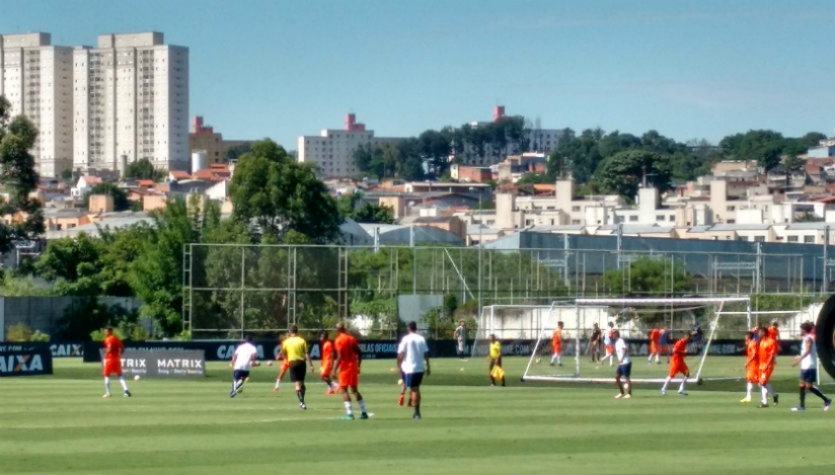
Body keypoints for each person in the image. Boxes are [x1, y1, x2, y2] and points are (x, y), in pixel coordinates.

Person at [791, 322, 831, 412]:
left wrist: (799, 359)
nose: (799, 331)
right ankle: (826, 400)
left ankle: (802, 406)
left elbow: (808, 351)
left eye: (800, 329)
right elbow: (807, 351)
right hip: (807, 365)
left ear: (804, 330)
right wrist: (799, 357)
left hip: (809, 366)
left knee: (805, 385)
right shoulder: (807, 338)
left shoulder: (808, 339)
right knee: (806, 386)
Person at [332, 323, 369, 420]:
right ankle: (364, 412)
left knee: (344, 389)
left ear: (337, 330)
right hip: (353, 365)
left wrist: (334, 369)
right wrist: (358, 366)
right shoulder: (351, 338)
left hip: (345, 367)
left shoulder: (338, 340)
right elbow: (359, 353)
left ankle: (350, 414)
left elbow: (340, 356)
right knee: (354, 389)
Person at [397, 321, 431, 420]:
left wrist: (399, 366)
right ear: (415, 329)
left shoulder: (406, 339)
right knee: (416, 388)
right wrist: (428, 367)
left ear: (408, 328)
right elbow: (426, 354)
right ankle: (415, 409)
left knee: (414, 389)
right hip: (420, 368)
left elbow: (401, 354)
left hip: (409, 368)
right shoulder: (421, 339)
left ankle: (417, 413)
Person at [279, 325, 314, 410]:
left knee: (297, 385)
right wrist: (311, 365)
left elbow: (283, 354)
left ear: (290, 332)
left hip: (293, 363)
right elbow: (307, 354)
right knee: (302, 384)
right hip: (302, 363)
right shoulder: (302, 341)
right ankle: (302, 401)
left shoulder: (286, 342)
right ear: (297, 331)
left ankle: (302, 402)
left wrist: (287, 359)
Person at [102, 327, 131, 398]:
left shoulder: (109, 339)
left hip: (109, 359)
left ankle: (108, 393)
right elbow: (122, 348)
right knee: (120, 375)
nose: (105, 333)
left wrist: (105, 355)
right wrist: (119, 355)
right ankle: (126, 390)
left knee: (107, 375)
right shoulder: (116, 338)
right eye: (105, 331)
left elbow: (109, 348)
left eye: (106, 331)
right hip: (117, 359)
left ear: (110, 332)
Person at [757, 326, 779, 408]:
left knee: (763, 383)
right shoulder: (761, 341)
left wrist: (767, 365)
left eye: (760, 332)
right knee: (762, 383)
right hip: (761, 365)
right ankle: (774, 396)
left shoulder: (771, 342)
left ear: (764, 332)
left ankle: (765, 403)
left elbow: (772, 355)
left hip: (768, 365)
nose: (758, 333)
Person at [740, 331, 759, 403]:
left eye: (746, 336)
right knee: (752, 380)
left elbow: (754, 354)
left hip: (753, 365)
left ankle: (749, 397)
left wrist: (747, 362)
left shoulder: (752, 344)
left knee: (753, 381)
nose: (745, 338)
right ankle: (748, 397)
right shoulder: (750, 343)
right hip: (752, 365)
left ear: (748, 337)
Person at [613, 330, 632, 399]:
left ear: (616, 335)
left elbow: (625, 349)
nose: (612, 336)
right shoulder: (616, 342)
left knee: (627, 378)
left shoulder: (621, 341)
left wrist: (622, 358)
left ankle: (629, 394)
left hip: (626, 362)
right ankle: (622, 393)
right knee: (617, 377)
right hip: (621, 363)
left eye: (613, 335)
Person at [318, 331, 339, 395]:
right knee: (323, 376)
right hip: (325, 362)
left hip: (328, 362)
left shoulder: (328, 343)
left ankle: (335, 385)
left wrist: (332, 363)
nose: (320, 337)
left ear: (325, 337)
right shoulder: (324, 343)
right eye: (320, 336)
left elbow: (332, 354)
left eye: (322, 336)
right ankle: (331, 389)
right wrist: (322, 361)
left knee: (324, 376)